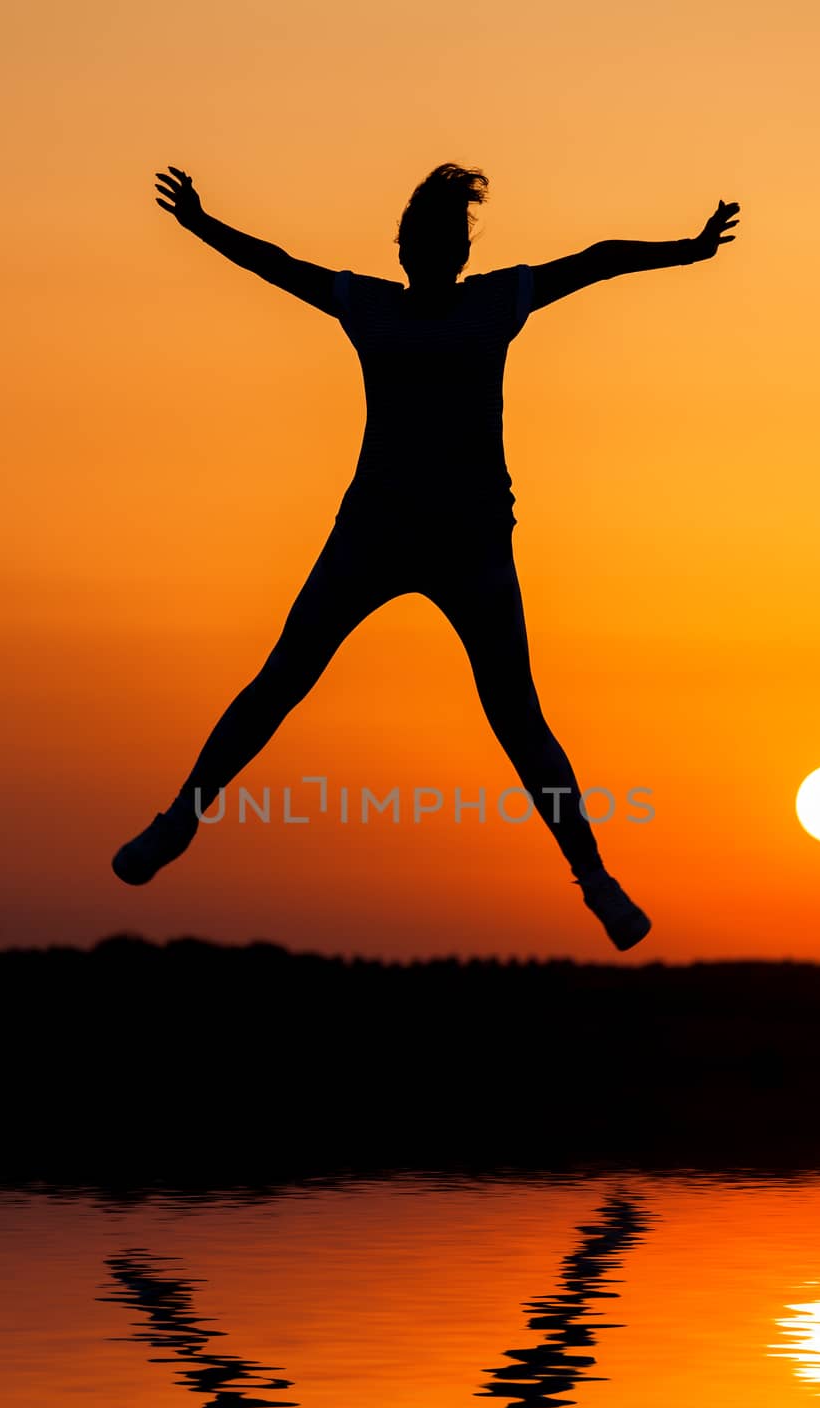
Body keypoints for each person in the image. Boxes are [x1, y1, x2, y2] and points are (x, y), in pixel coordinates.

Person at [112, 162, 741, 951]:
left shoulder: (494, 302)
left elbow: (597, 258)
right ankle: (178, 823)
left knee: (516, 718)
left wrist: (685, 250)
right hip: (374, 531)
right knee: (283, 678)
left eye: (437, 239)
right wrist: (202, 225)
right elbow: (275, 265)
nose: (422, 250)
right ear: (403, 248)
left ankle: (596, 881)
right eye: (416, 237)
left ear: (454, 252)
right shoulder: (370, 307)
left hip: (469, 540)